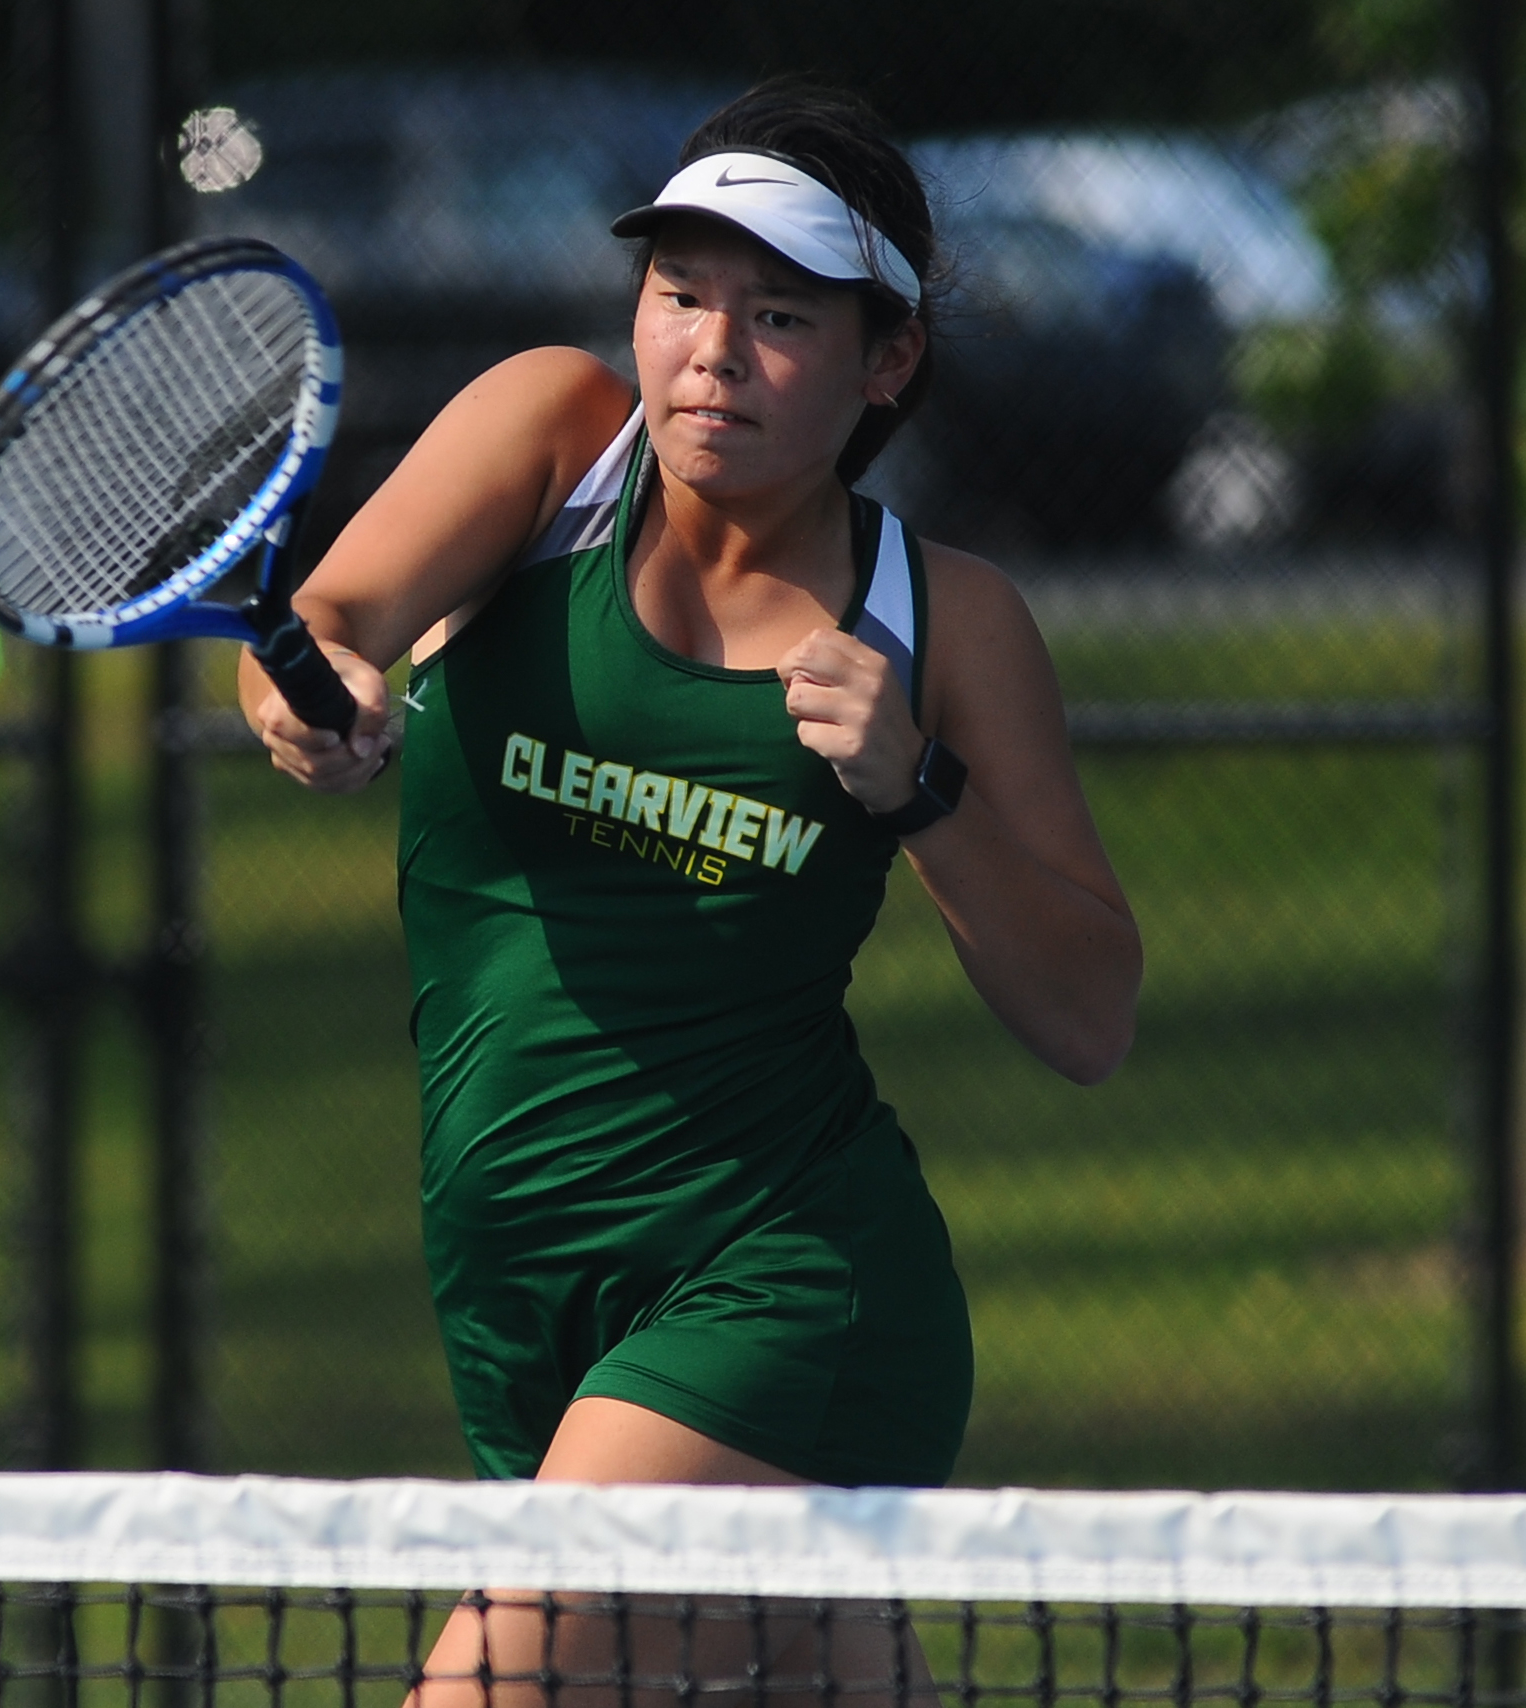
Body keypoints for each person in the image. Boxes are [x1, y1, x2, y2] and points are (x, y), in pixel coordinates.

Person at [239, 78, 1142, 1708]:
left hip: (784, 1288)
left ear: (887, 361)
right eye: (679, 297)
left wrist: (915, 789)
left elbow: (1089, 1015)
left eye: (777, 313)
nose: (708, 350)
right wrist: (324, 703)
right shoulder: (548, 434)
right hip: (520, 1287)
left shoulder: (949, 621)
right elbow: (332, 623)